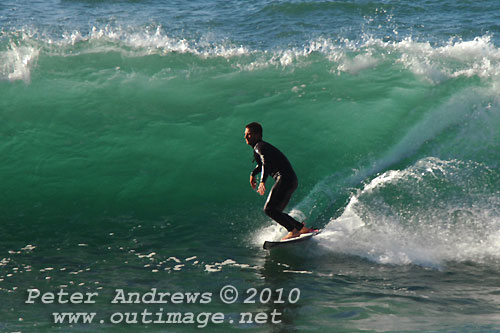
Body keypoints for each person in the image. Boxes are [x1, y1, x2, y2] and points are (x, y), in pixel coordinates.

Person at [244, 122, 312, 240]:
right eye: (245, 134)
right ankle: (301, 228)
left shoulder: (260, 146)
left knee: (269, 209)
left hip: (284, 179)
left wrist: (262, 181)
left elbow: (266, 163)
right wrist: (253, 174)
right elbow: (261, 165)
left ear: (257, 134)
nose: (245, 137)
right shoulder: (261, 147)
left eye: (249, 134)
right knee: (276, 211)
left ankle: (293, 231)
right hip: (290, 179)